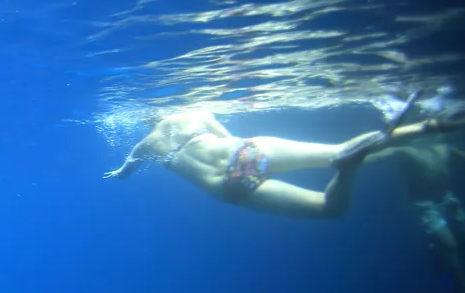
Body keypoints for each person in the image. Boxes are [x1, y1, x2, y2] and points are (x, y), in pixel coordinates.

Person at [103, 93, 463, 219]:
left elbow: (125, 171)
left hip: (231, 186)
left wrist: (118, 173)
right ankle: (426, 127)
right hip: (248, 150)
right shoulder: (192, 114)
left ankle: (346, 170)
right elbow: (234, 139)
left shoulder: (144, 145)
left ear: (145, 123)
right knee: (339, 148)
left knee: (329, 208)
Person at [366, 138, 465, 293]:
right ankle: (460, 286)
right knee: (449, 245)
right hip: (424, 204)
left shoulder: (445, 147)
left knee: (461, 236)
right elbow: (379, 155)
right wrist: (355, 158)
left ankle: (437, 254)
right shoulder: (405, 151)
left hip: (447, 198)